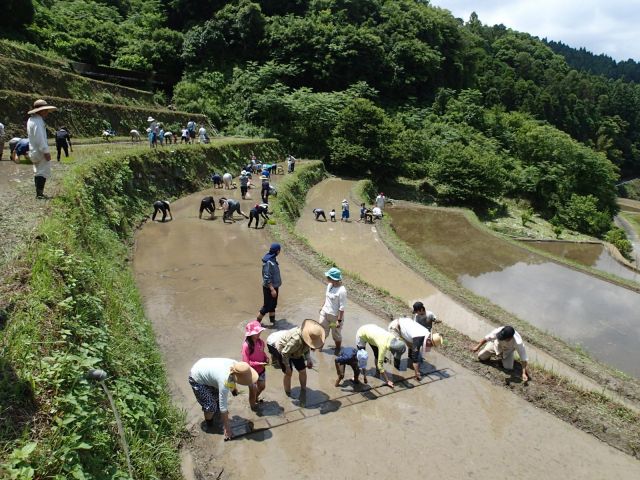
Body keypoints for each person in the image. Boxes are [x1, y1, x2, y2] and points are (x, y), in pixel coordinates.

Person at [188, 358, 258, 441]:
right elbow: (223, 408)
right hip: (196, 377)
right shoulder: (224, 381)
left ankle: (215, 416)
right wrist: (227, 428)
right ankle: (209, 424)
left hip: (205, 367)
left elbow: (232, 377)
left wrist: (233, 389)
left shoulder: (238, 366)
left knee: (217, 398)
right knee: (211, 407)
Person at [266, 319, 325, 395]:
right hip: (277, 343)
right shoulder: (296, 340)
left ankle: (303, 390)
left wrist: (308, 359)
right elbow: (284, 353)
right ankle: (288, 393)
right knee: (288, 373)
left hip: (292, 347)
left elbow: (306, 347)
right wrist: (287, 367)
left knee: (303, 370)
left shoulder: (307, 337)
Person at [355, 324, 406, 388]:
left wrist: (382, 358)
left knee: (377, 355)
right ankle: (359, 375)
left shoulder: (394, 338)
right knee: (362, 357)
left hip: (373, 334)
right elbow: (380, 365)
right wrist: (387, 381)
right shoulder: (383, 346)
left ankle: (377, 371)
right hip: (361, 334)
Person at [27, 99, 56, 199]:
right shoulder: (38, 121)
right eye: (45, 110)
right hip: (40, 151)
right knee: (42, 172)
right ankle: (39, 194)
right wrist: (46, 151)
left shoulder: (31, 120)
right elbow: (40, 138)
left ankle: (39, 193)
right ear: (41, 111)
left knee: (37, 171)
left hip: (33, 150)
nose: (47, 112)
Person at [318, 267, 347, 354]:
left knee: (335, 334)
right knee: (322, 331)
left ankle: (337, 349)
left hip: (334, 317)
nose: (326, 278)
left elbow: (342, 308)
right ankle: (319, 348)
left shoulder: (342, 291)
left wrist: (339, 320)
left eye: (328, 277)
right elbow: (327, 298)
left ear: (334, 279)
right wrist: (322, 306)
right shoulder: (330, 285)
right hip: (325, 313)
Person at [242, 321, 269, 410]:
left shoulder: (261, 342)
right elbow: (246, 363)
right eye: (256, 333)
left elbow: (262, 352)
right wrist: (258, 363)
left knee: (262, 386)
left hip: (261, 370)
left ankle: (255, 398)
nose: (259, 333)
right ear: (250, 334)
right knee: (252, 391)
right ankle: (253, 406)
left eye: (259, 332)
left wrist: (266, 358)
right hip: (251, 373)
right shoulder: (246, 345)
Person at [257, 243, 281, 324]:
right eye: (279, 250)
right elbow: (267, 277)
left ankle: (273, 322)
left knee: (273, 305)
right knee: (266, 306)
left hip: (274, 286)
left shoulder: (273, 258)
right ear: (277, 251)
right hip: (269, 288)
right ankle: (256, 323)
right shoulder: (269, 262)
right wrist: (272, 289)